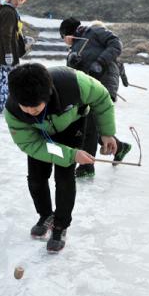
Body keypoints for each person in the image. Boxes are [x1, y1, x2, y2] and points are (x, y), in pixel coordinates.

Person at [4, 63, 118, 252]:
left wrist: (107, 133)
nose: (30, 111)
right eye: (25, 107)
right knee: (36, 179)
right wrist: (71, 154)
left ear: (47, 94)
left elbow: (102, 98)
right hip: (39, 137)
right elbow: (31, 144)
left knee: (64, 177)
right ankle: (45, 215)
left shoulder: (74, 84)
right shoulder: (14, 111)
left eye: (35, 107)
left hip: (72, 127)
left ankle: (60, 225)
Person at [59, 17, 131, 178]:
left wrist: (100, 62)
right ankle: (119, 147)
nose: (64, 41)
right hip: (88, 89)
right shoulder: (74, 49)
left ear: (68, 33)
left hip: (105, 84)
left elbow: (116, 44)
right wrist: (73, 63)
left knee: (89, 125)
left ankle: (87, 166)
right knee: (87, 124)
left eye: (63, 37)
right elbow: (73, 74)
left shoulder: (94, 31)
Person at [0, 0, 27, 115]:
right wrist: (8, 53)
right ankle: (5, 108)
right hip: (7, 53)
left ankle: (1, 107)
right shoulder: (8, 12)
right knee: (9, 81)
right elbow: (6, 34)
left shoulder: (9, 11)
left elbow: (14, 32)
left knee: (5, 80)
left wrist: (23, 40)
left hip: (8, 51)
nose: (17, 1)